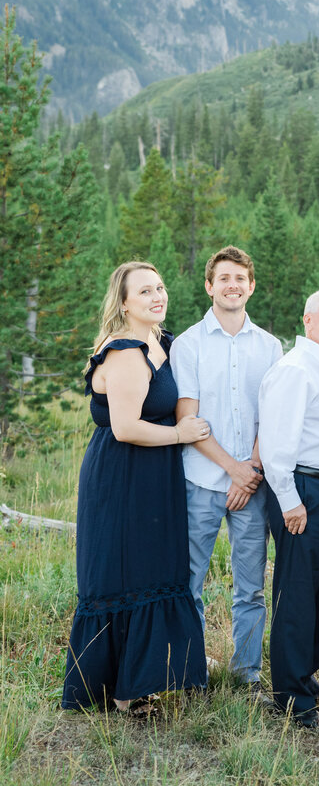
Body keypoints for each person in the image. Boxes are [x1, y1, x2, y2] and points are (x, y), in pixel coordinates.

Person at [62, 262, 209, 716]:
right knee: (123, 572)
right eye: (145, 291)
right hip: (123, 475)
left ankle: (139, 681)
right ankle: (120, 691)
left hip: (155, 474)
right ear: (124, 302)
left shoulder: (163, 343)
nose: (157, 296)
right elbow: (126, 428)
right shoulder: (125, 351)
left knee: (152, 570)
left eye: (160, 287)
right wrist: (183, 435)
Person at [171, 246, 281, 699]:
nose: (232, 285)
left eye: (240, 278)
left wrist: (250, 472)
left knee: (251, 586)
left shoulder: (270, 346)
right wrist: (233, 470)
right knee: (189, 583)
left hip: (253, 484)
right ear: (209, 285)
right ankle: (191, 673)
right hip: (201, 479)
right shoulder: (188, 344)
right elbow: (187, 420)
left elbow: (272, 418)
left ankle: (246, 675)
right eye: (224, 278)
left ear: (251, 285)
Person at [258, 287, 319, 735]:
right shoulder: (296, 370)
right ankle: (292, 700)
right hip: (304, 491)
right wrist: (290, 500)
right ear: (308, 319)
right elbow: (277, 442)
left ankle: (304, 677)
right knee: (297, 594)